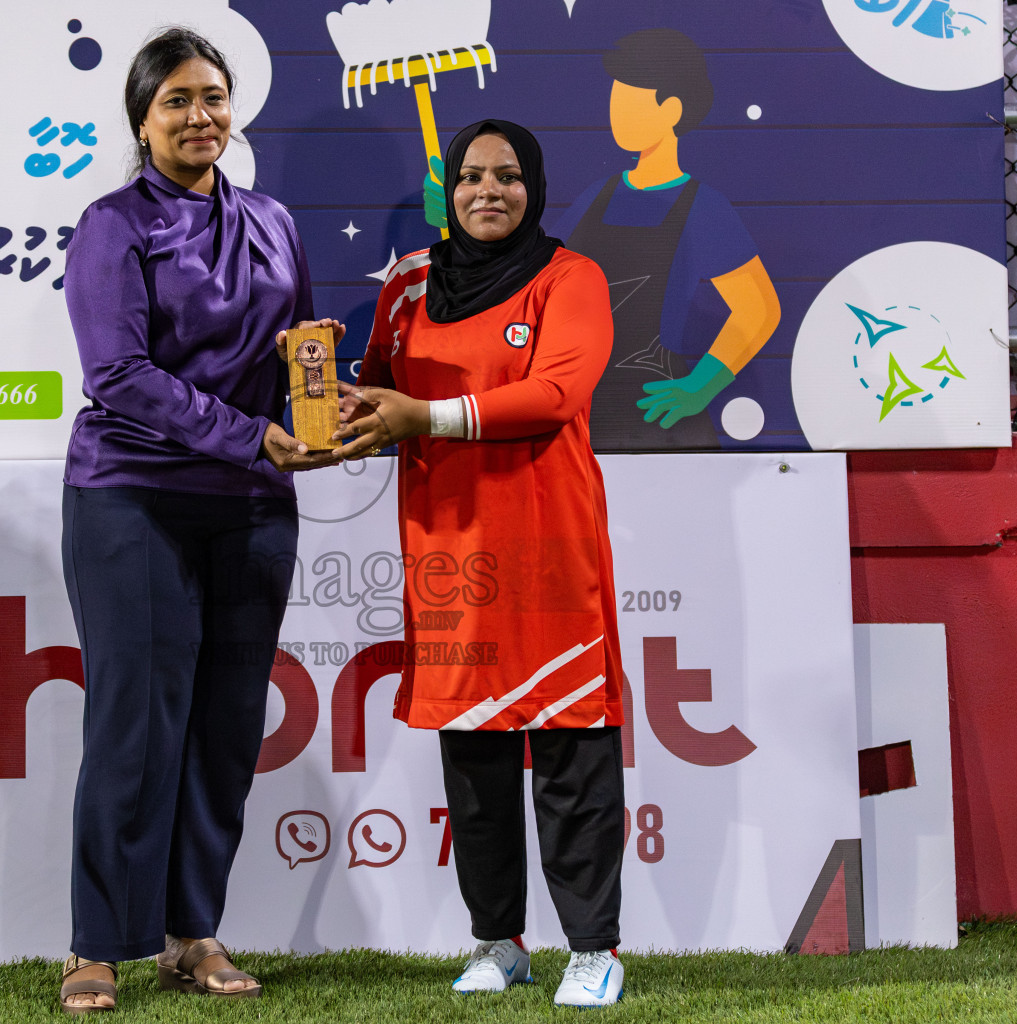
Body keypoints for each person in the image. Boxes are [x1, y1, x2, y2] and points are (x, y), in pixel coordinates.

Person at [57, 27, 334, 1014]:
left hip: (255, 506)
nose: (199, 114)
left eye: (213, 96)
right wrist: (253, 436)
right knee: (135, 725)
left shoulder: (272, 221)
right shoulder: (111, 225)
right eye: (177, 100)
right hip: (133, 496)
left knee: (225, 727)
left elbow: (301, 348)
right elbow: (118, 377)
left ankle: (191, 932)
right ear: (142, 117)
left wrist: (319, 411)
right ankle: (99, 943)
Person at [337, 119, 628, 1008]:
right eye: (470, 177)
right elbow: (372, 387)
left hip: (549, 551)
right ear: (448, 189)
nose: (488, 192)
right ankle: (498, 942)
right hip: (448, 556)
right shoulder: (410, 287)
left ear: (534, 186)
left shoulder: (571, 278)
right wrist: (323, 419)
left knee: (573, 749)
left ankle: (594, 949)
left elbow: (555, 395)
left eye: (506, 177)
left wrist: (420, 418)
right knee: (476, 757)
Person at [553, 28, 780, 450]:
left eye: (629, 104)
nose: (615, 115)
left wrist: (700, 387)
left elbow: (759, 308)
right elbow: (540, 274)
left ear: (671, 110)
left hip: (660, 423)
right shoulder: (598, 195)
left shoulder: (703, 206)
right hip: (582, 415)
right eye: (613, 102)